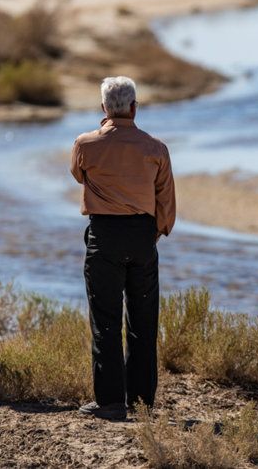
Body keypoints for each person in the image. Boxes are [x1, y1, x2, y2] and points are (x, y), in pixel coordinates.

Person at [70, 76, 176, 421]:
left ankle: (111, 402)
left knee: (105, 321)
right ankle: (142, 402)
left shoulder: (85, 143)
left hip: (104, 236)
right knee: (143, 323)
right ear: (134, 107)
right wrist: (155, 234)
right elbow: (166, 201)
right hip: (143, 237)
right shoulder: (155, 148)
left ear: (103, 108)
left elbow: (78, 175)